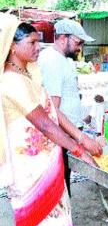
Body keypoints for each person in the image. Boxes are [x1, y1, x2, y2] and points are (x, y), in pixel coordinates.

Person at [0, 14, 102, 226]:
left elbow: (53, 111)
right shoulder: (11, 81)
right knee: (40, 223)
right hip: (30, 170)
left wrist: (80, 137)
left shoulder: (28, 73)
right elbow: (45, 124)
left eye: (38, 42)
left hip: (48, 162)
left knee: (58, 218)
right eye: (32, 43)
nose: (38, 48)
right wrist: (79, 149)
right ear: (12, 46)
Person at [38, 18, 95, 197]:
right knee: (59, 187)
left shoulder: (65, 60)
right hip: (61, 133)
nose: (80, 48)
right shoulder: (52, 61)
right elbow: (53, 110)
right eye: (78, 42)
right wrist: (81, 138)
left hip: (69, 130)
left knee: (64, 180)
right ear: (63, 38)